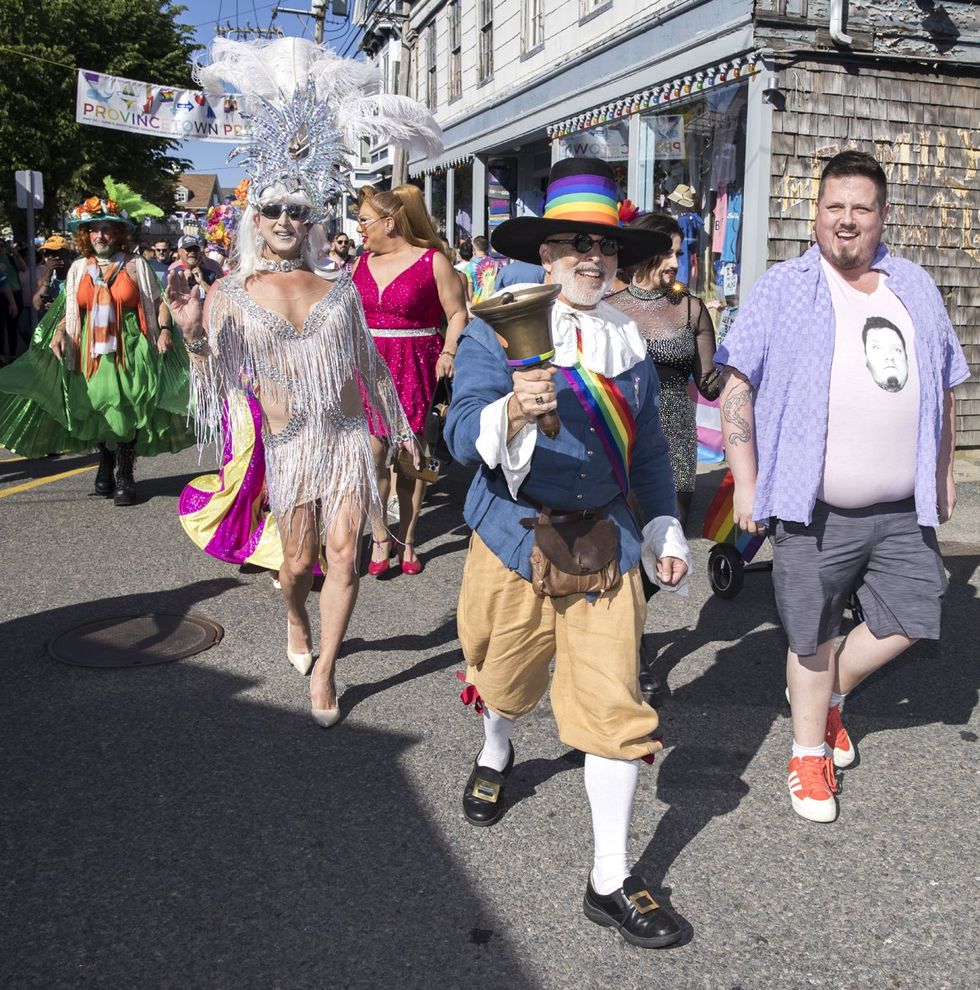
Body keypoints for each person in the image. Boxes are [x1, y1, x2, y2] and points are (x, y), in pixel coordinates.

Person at [445, 157, 691, 948]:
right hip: (513, 537)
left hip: (605, 543)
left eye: (604, 247)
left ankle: (610, 878)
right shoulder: (492, 325)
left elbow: (648, 450)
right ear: (544, 255)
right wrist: (511, 413)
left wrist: (661, 526)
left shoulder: (625, 336)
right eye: (573, 245)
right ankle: (497, 748)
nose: (591, 259)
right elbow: (458, 434)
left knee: (613, 707)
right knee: (503, 678)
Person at [169, 35, 440, 727]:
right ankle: (296, 620)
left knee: (344, 557)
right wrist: (191, 329)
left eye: (299, 210)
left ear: (313, 219)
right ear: (255, 218)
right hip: (289, 446)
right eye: (274, 210)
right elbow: (217, 371)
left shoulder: (340, 288)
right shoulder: (232, 290)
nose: (286, 221)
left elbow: (371, 369)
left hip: (347, 439)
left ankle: (326, 669)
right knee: (296, 566)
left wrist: (404, 435)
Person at [716, 151, 970, 824]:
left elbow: (945, 388)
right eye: (836, 207)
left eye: (862, 207)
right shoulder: (784, 287)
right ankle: (807, 753)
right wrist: (747, 484)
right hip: (811, 505)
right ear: (816, 213)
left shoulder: (913, 284)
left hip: (899, 504)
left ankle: (827, 696)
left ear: (883, 215)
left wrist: (942, 470)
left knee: (914, 613)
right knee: (809, 633)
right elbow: (736, 387)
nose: (848, 220)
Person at [0, 180, 193, 503]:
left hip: (132, 348)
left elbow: (158, 302)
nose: (100, 236)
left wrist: (161, 331)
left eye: (107, 230)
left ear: (118, 234)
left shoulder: (136, 265)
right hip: (89, 350)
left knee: (129, 406)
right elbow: (71, 309)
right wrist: (61, 332)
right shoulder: (79, 268)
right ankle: (105, 460)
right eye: (94, 230)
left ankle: (125, 473)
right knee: (94, 405)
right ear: (86, 235)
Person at [352, 183, 467, 576]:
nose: (359, 228)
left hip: (419, 364)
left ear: (390, 222)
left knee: (415, 461)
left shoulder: (432, 260)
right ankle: (380, 535)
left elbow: (457, 313)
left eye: (364, 220)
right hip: (369, 368)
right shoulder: (358, 264)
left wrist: (449, 352)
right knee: (372, 456)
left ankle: (409, 538)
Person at [608, 212, 719, 528]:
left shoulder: (690, 308)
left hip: (677, 437)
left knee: (672, 536)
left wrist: (740, 364)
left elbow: (710, 385)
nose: (674, 262)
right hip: (624, 434)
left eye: (679, 254)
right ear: (644, 253)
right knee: (625, 536)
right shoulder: (610, 311)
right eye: (667, 253)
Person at [32, 236, 74, 315]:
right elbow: (37, 305)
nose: (50, 257)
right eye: (46, 254)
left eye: (54, 252)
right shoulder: (46, 278)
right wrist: (48, 275)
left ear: (67, 253)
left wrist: (61, 309)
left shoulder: (79, 273)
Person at [461, 234, 498, 308]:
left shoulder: (469, 267)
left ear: (474, 248)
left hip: (477, 305)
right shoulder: (495, 263)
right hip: (492, 303)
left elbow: (470, 292)